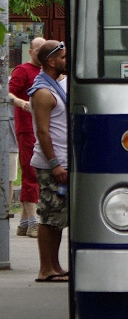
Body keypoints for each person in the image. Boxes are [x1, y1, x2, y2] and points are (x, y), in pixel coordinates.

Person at [29, 40, 70, 283]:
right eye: (63, 58)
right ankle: (45, 269)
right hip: (50, 165)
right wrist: (55, 164)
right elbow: (42, 132)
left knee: (58, 218)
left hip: (62, 161)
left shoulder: (56, 85)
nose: (67, 60)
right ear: (51, 62)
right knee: (48, 217)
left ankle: (55, 266)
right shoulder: (43, 92)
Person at [7, 36, 45, 238]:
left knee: (37, 172)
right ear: (30, 52)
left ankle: (23, 223)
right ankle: (32, 223)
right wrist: (22, 103)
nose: (42, 53)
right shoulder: (22, 71)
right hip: (27, 128)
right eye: (38, 50)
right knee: (31, 173)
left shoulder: (47, 72)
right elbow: (8, 95)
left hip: (43, 128)